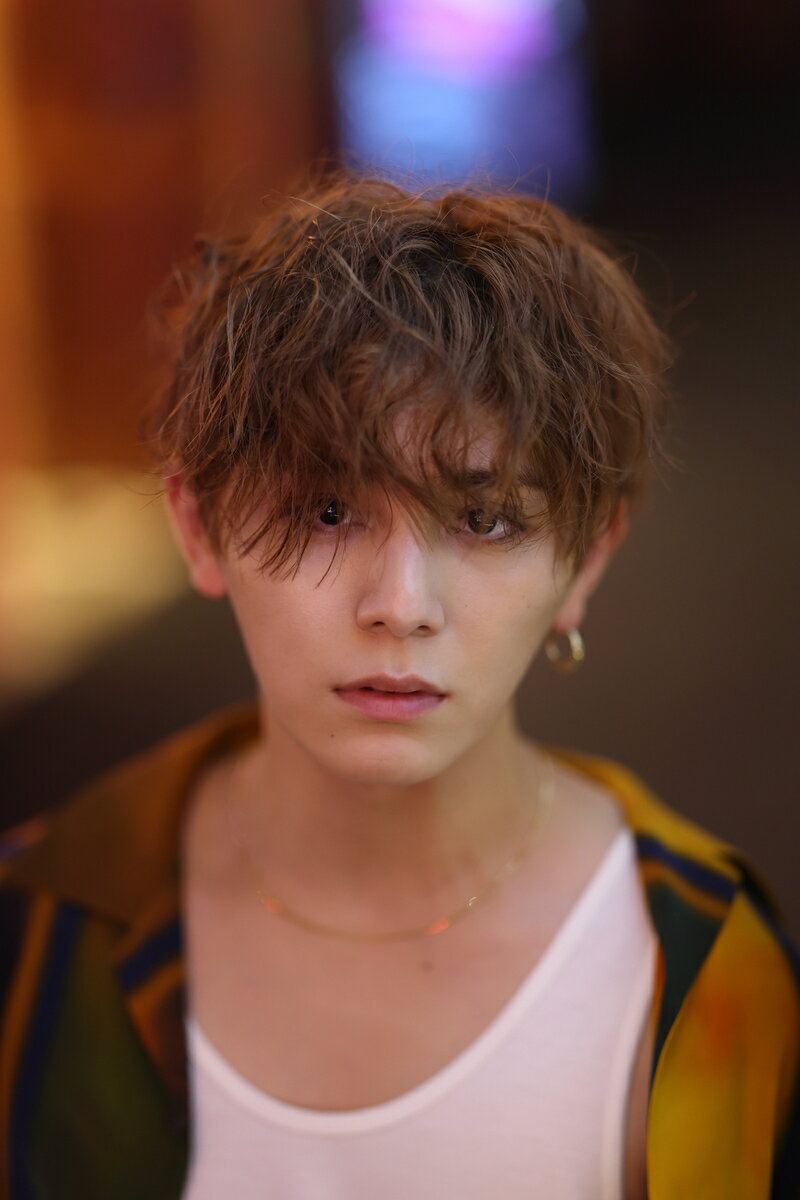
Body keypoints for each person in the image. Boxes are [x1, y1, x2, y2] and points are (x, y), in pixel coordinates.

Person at [1, 173, 798, 1200]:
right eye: (327, 513)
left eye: (484, 520)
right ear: (198, 527)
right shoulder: (38, 924)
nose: (400, 605)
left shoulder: (698, 966)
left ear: (586, 560)